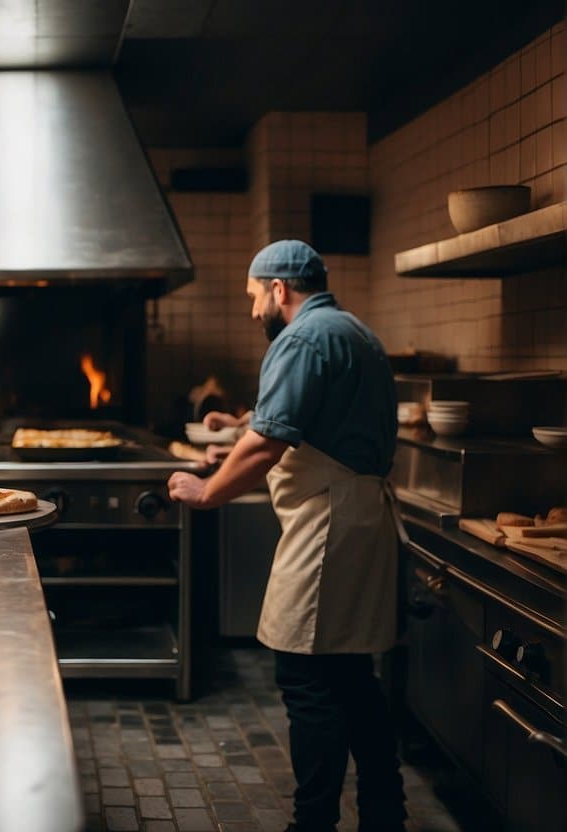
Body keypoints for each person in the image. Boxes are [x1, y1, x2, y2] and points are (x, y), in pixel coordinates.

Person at [167, 240, 406, 832]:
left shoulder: (300, 338)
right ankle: (385, 815)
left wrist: (209, 492)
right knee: (352, 676)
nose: (253, 311)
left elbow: (269, 446)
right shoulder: (353, 331)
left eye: (254, 296)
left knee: (307, 681)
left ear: (279, 289)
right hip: (359, 518)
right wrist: (242, 424)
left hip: (328, 527)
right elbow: (307, 413)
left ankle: (313, 823)